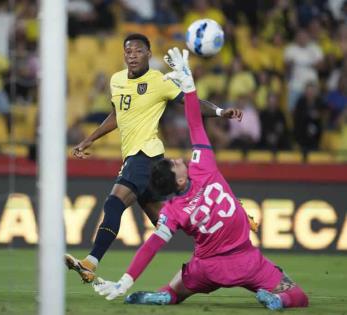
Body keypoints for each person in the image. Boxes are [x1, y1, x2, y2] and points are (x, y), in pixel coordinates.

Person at [93, 48, 309, 311]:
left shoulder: (171, 212)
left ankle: (167, 294)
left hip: (207, 269)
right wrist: (189, 85)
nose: (176, 159)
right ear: (179, 181)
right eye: (173, 165)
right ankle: (277, 299)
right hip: (247, 261)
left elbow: (152, 246)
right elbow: (195, 123)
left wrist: (126, 281)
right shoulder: (203, 166)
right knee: (298, 296)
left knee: (178, 287)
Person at [64, 33, 244, 283]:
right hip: (142, 158)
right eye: (128, 51)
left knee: (114, 204)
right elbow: (117, 115)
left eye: (138, 51)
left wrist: (220, 111)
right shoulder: (116, 80)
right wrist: (89, 139)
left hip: (144, 155)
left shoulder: (159, 81)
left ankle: (91, 262)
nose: (132, 56)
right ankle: (225, 247)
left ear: (148, 54)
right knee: (164, 222)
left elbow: (191, 102)